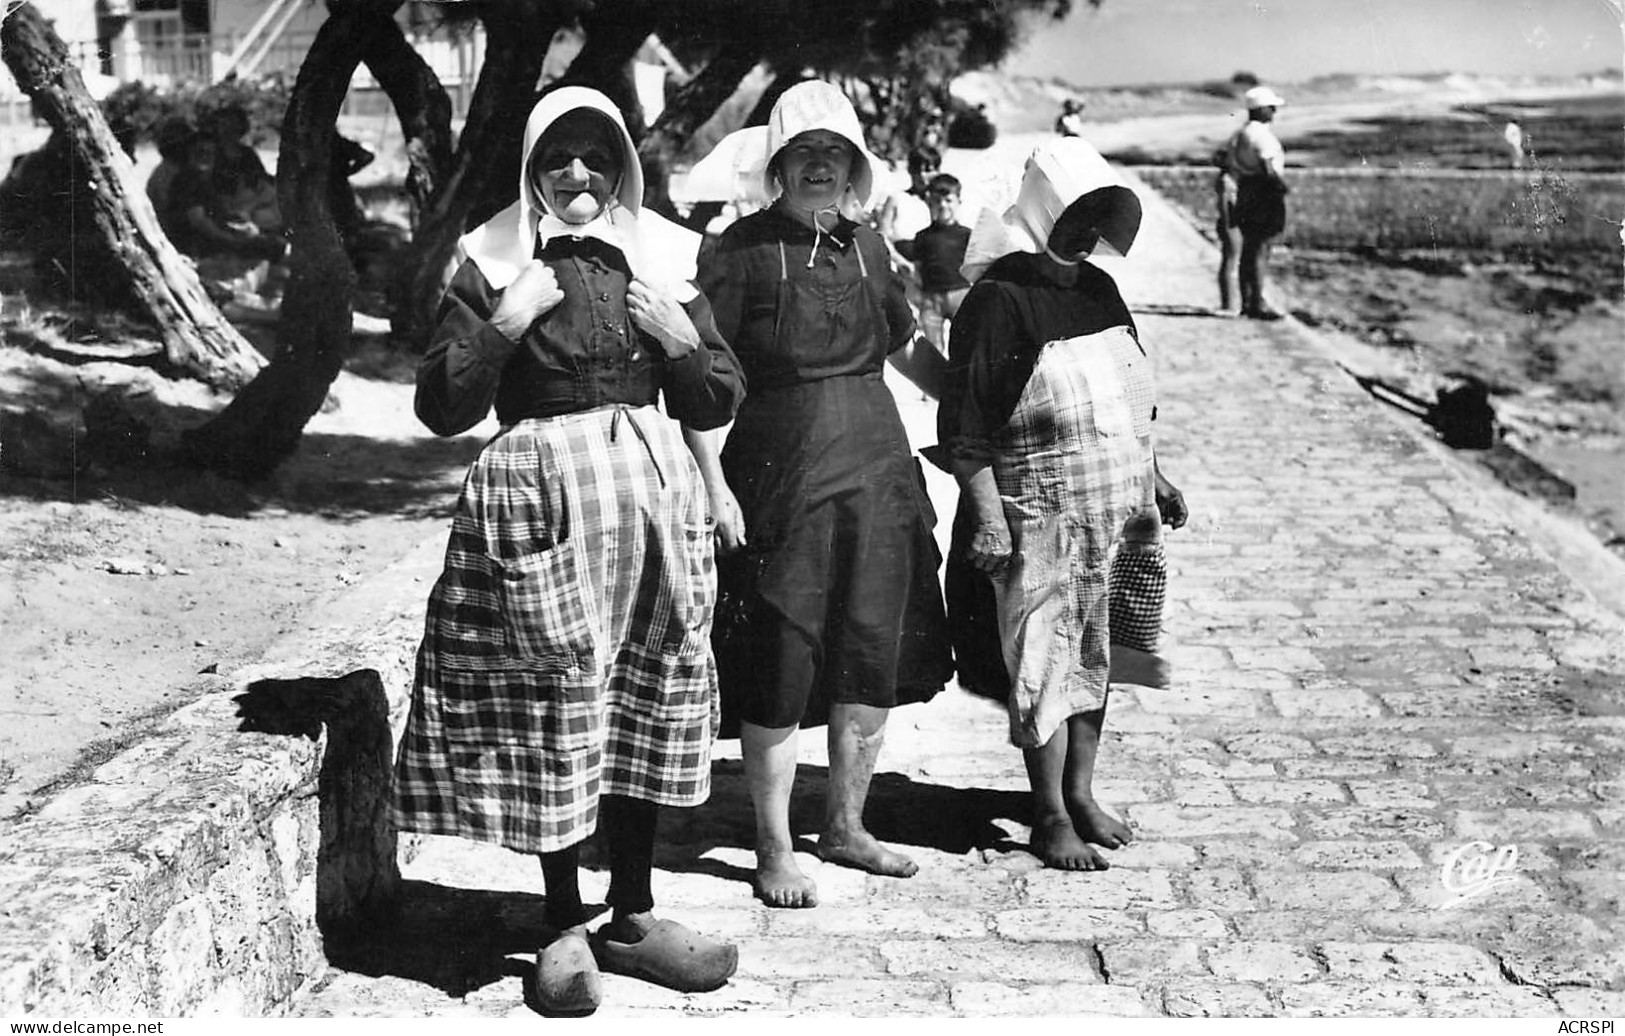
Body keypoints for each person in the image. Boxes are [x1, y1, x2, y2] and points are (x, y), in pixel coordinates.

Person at [393, 87, 745, 1014]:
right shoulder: (489, 258)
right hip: (540, 499)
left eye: (597, 156)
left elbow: (717, 397)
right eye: (559, 158)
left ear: (623, 164)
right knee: (552, 701)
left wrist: (678, 344)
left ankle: (630, 915)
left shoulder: (665, 256)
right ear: (531, 168)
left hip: (649, 498)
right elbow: (439, 408)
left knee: (640, 693)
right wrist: (505, 323)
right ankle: (560, 923)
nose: (579, 175)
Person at [688, 79, 953, 909]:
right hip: (781, 471)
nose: (819, 168)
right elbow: (692, 373)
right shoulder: (735, 251)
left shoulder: (871, 250)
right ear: (778, 166)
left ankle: (845, 824)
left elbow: (908, 349)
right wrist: (708, 483)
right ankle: (771, 844)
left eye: (833, 156)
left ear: (854, 170)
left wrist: (982, 408)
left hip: (877, 469)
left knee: (869, 644)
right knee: (780, 653)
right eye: (803, 155)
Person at [937, 138, 1188, 872]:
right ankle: (1047, 814)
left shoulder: (1097, 291)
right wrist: (985, 513)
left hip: (1118, 509)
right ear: (1044, 214)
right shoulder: (997, 300)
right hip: (1041, 514)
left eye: (1096, 216)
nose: (1084, 230)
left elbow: (1127, 400)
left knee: (1105, 654)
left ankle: (1080, 791)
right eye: (1073, 214)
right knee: (1044, 661)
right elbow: (966, 424)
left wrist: (1157, 476)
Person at [1224, 85, 1290, 320]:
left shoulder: (1240, 134)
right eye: (1271, 107)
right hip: (1263, 193)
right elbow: (1269, 168)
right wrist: (1281, 189)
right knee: (1262, 249)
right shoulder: (1262, 135)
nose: (1274, 111)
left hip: (1246, 190)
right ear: (1261, 110)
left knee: (1249, 249)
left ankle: (1248, 302)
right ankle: (1258, 302)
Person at [896, 172, 971, 355]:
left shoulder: (967, 235)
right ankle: (938, 381)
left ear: (959, 202)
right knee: (933, 350)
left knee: (966, 342)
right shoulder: (922, 237)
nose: (943, 205)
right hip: (931, 298)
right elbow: (919, 268)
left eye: (948, 200)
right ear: (930, 203)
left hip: (960, 294)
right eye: (937, 201)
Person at [1210, 142, 1241, 315]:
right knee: (1230, 261)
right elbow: (1223, 203)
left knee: (1230, 260)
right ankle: (1228, 304)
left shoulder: (1227, 178)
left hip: (1230, 222)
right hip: (1229, 223)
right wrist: (1229, 222)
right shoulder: (1225, 180)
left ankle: (1229, 302)